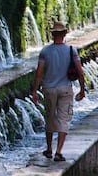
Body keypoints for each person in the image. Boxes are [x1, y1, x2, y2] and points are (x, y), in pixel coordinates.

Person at [31, 21, 85, 162]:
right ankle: (58, 152)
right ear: (65, 34)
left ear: (53, 34)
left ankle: (49, 149)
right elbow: (80, 72)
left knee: (49, 118)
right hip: (66, 88)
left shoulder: (45, 51)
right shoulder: (71, 51)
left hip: (49, 89)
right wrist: (82, 89)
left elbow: (39, 73)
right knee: (63, 119)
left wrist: (35, 91)